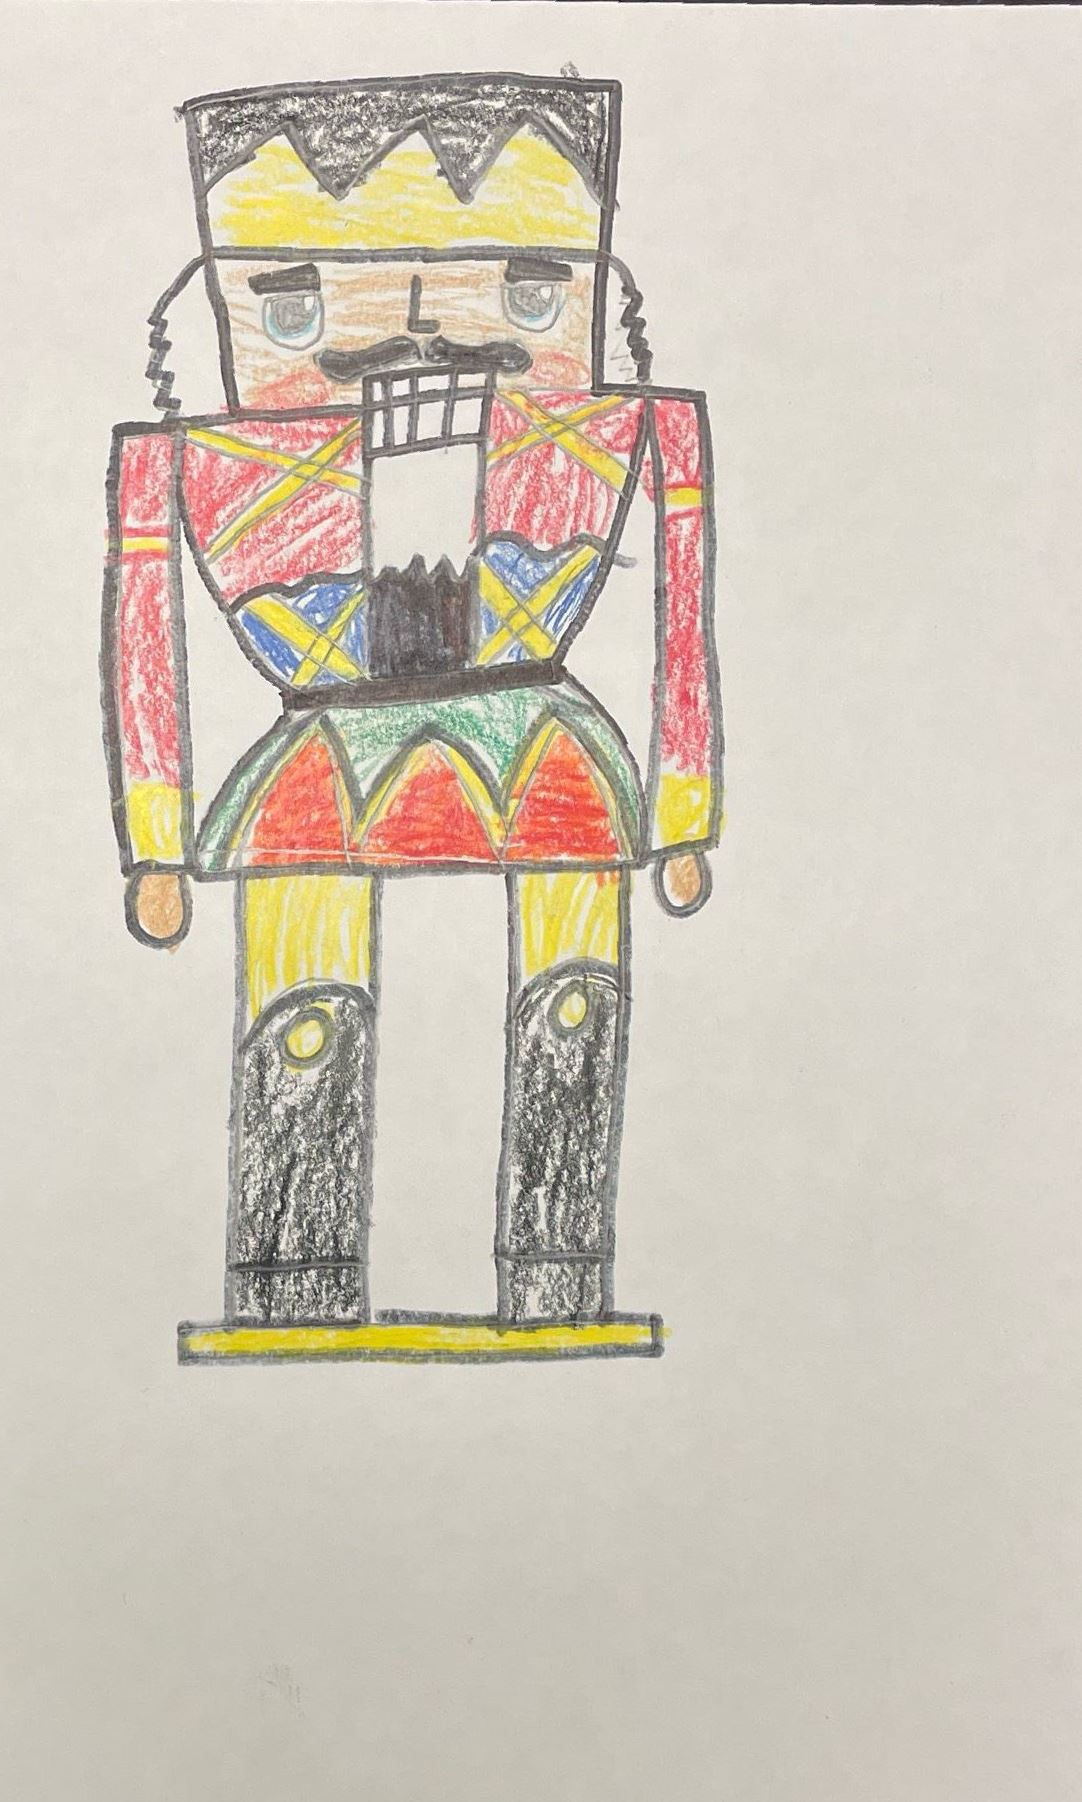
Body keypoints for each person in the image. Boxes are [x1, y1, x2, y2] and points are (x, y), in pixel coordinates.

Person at [102, 73, 722, 1345]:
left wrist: (684, 809)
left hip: (544, 750)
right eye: (295, 304)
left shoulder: (629, 430)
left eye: (529, 296)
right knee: (302, 1016)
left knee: (572, 1005)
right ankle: (292, 1276)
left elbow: (682, 600)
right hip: (317, 760)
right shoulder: (187, 459)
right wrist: (154, 842)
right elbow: (142, 632)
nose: (423, 343)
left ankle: (559, 1273)